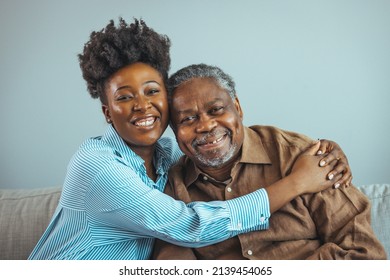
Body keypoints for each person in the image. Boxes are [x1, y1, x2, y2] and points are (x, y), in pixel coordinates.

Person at [29, 19, 351, 260]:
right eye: (125, 97)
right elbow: (190, 226)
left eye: (152, 91)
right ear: (107, 112)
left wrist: (326, 151)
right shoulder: (96, 166)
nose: (142, 105)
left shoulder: (169, 156)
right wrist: (298, 182)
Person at [153, 63, 387, 260]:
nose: (205, 126)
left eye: (215, 110)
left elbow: (365, 255)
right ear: (174, 130)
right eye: (188, 119)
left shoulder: (302, 157)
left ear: (237, 108)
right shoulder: (172, 186)